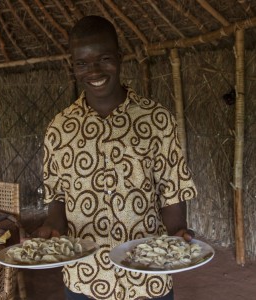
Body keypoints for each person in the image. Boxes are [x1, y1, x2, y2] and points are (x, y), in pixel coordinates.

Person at [36, 15, 197, 300]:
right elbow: (56, 194)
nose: (93, 71)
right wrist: (54, 225)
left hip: (148, 273)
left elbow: (172, 189)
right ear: (73, 66)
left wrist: (177, 232)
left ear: (120, 58)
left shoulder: (157, 119)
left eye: (104, 58)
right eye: (82, 63)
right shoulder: (59, 129)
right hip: (85, 276)